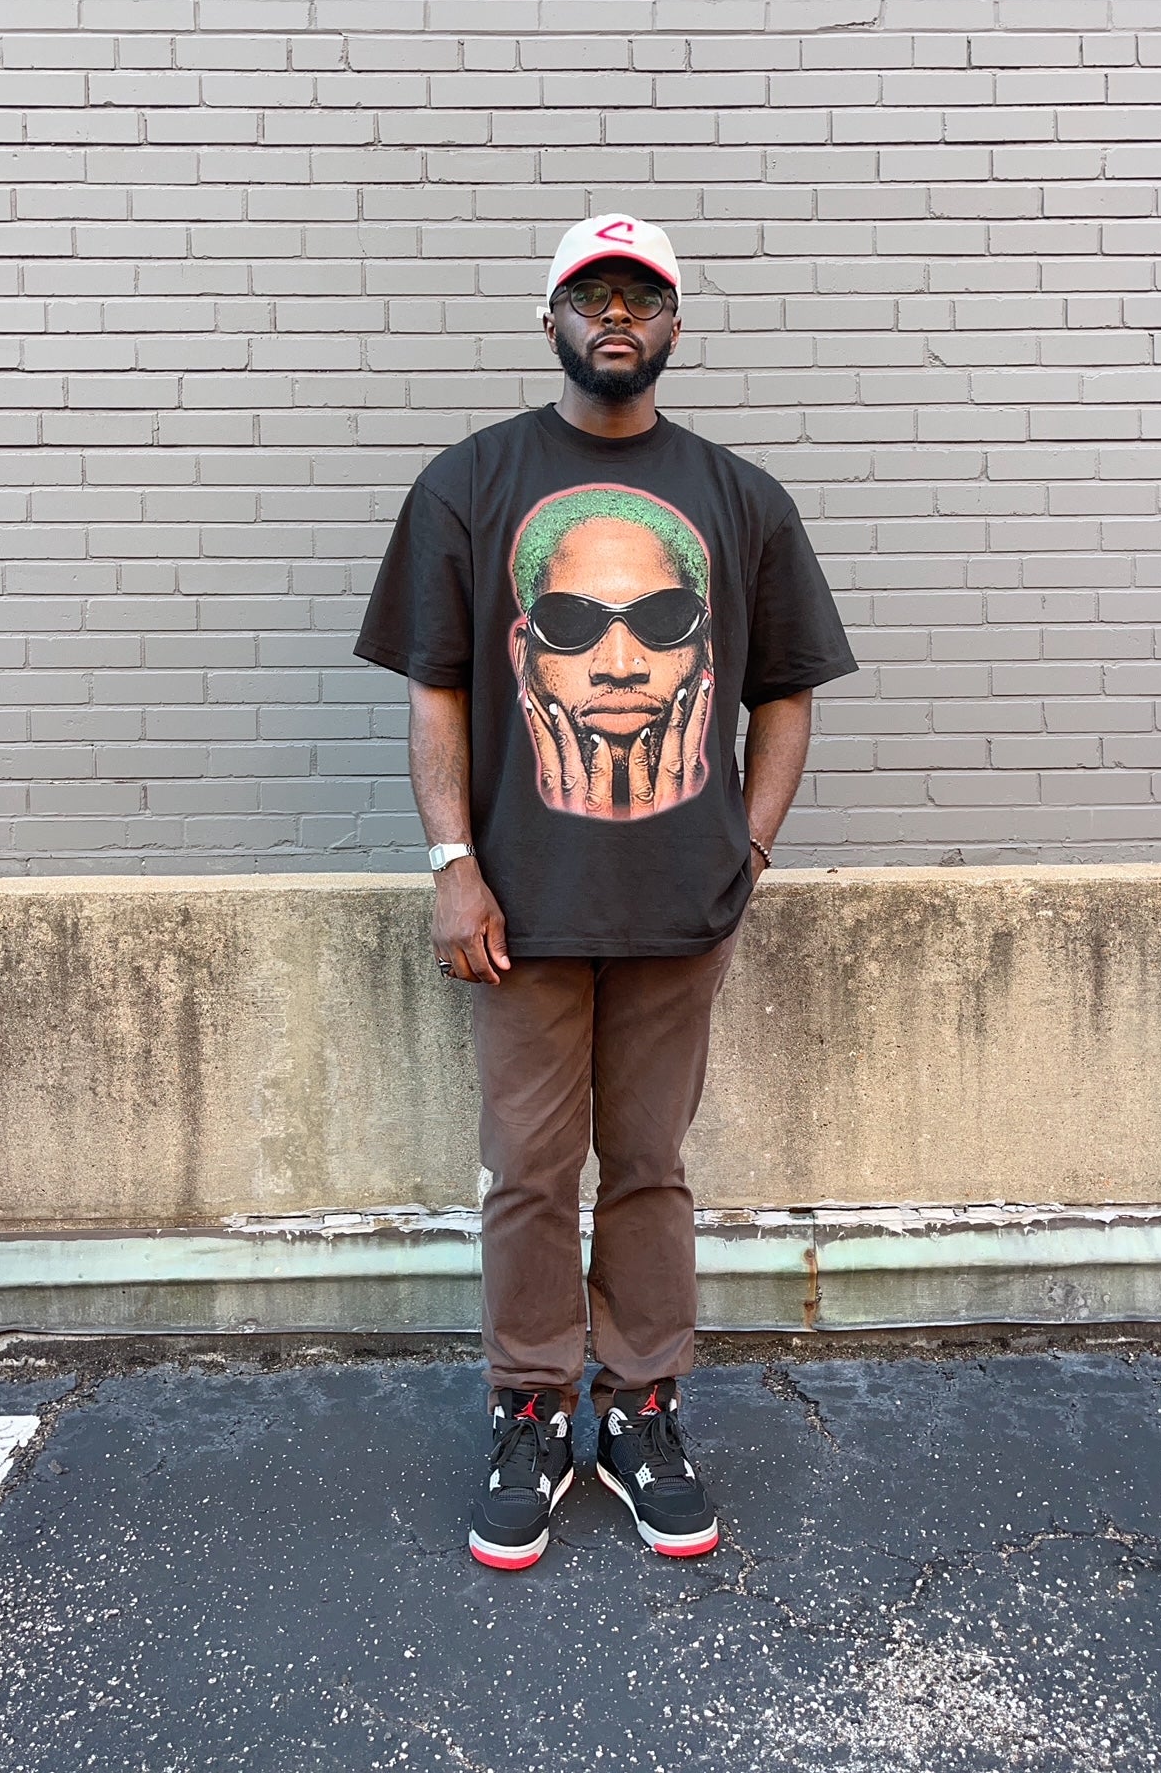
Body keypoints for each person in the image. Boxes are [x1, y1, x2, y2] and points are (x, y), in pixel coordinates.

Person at [354, 212, 858, 1570]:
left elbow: (787, 693)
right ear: (553, 322)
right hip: (515, 915)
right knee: (528, 1171)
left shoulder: (742, 500)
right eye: (592, 295)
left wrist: (748, 849)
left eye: (642, 295)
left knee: (648, 1170)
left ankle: (640, 1411)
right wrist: (453, 865)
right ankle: (530, 1408)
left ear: (676, 324)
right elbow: (437, 693)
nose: (616, 315)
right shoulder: (470, 484)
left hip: (681, 911)